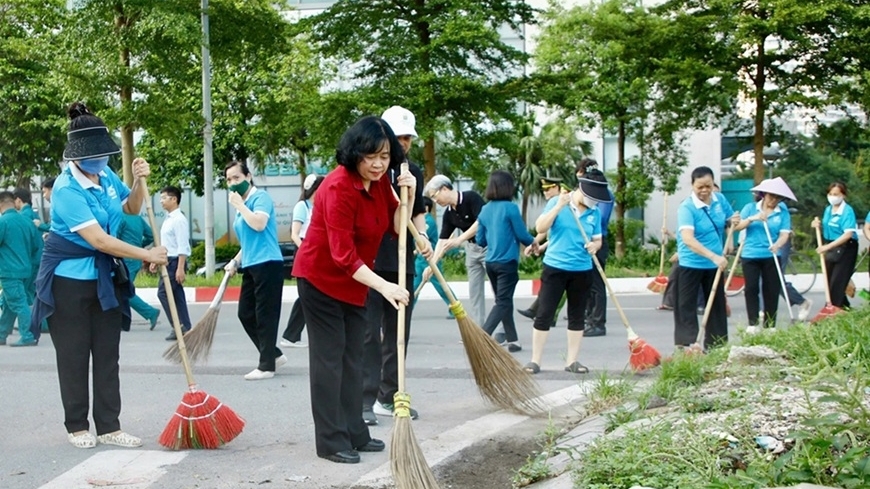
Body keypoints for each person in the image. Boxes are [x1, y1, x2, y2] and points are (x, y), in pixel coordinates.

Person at [31, 102, 168, 449]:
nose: (100, 162)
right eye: (94, 157)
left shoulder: (106, 176)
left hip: (103, 280)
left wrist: (138, 182)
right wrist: (147, 254)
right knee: (74, 355)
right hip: (68, 283)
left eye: (105, 155)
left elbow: (132, 207)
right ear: (76, 156)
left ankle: (109, 426)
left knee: (108, 354)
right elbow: (99, 240)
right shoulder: (66, 189)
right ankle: (77, 426)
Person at [292, 115, 414, 464]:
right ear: (354, 153)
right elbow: (342, 255)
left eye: (385, 156)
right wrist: (386, 286)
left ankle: (355, 431)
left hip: (355, 284)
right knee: (330, 361)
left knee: (354, 358)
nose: (378, 164)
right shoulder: (336, 187)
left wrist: (409, 191)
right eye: (370, 156)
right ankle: (330, 441)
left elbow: (396, 226)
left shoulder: (379, 185)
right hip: (321, 280)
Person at [362, 105, 430, 425]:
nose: (403, 143)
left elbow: (415, 215)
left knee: (398, 332)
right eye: (397, 136)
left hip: (402, 263)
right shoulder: (370, 168)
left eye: (407, 138)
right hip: (372, 262)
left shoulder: (413, 171)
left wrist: (423, 236)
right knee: (367, 333)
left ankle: (388, 397)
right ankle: (363, 398)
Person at [521, 177, 610, 374]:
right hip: (555, 267)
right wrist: (559, 206)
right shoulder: (558, 202)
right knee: (544, 313)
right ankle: (535, 361)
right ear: (582, 191)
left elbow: (598, 240)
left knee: (577, 315)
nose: (594, 203)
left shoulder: (594, 213)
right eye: (592, 198)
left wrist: (594, 246)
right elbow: (541, 227)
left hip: (582, 269)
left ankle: (572, 361)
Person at [223, 161, 287, 380]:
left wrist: (240, 206)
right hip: (251, 264)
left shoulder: (260, 198)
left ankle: (266, 366)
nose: (232, 183)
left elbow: (259, 224)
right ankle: (273, 354)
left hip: (268, 263)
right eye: (229, 180)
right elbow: (248, 241)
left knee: (265, 315)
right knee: (245, 313)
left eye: (236, 178)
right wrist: (235, 261)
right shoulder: (245, 202)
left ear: (248, 177)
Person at [674, 166, 738, 349]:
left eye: (708, 186)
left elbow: (730, 222)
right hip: (691, 263)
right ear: (693, 185)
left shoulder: (720, 200)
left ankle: (716, 345)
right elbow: (687, 239)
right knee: (686, 305)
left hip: (714, 264)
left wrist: (734, 224)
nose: (704, 191)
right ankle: (687, 344)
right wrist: (713, 256)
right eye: (700, 187)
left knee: (716, 306)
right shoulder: (687, 207)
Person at [476, 171, 536, 353]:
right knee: (503, 302)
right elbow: (522, 234)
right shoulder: (510, 208)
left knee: (504, 300)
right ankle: (482, 337)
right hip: (507, 262)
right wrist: (533, 242)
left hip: (491, 263)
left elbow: (480, 240)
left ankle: (513, 340)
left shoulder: (485, 210)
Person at [732, 177, 795, 332]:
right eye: (771, 196)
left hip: (771, 254)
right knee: (751, 288)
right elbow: (738, 227)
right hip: (751, 254)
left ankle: (770, 325)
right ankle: (752, 323)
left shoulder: (783, 211)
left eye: (777, 198)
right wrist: (753, 219)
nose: (774, 200)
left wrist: (778, 245)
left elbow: (784, 234)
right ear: (763, 195)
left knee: (771, 289)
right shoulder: (750, 208)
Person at [425, 175, 487, 327]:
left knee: (499, 291)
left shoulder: (471, 198)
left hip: (489, 248)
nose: (435, 201)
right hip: (472, 250)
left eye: (435, 195)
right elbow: (442, 241)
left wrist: (459, 240)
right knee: (475, 292)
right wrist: (432, 265)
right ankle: (482, 331)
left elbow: (481, 222)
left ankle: (501, 330)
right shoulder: (449, 214)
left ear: (445, 189)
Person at [280, 173, 324, 349]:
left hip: (317, 250)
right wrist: (306, 251)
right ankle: (291, 335)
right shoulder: (302, 206)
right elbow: (294, 234)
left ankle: (292, 335)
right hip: (305, 249)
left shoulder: (319, 206)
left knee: (311, 294)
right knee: (307, 295)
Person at [517, 176, 568, 328]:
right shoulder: (553, 204)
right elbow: (545, 230)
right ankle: (537, 310)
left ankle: (551, 314)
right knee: (550, 284)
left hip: (568, 254)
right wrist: (534, 243)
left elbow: (564, 234)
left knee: (563, 288)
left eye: (548, 189)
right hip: (555, 252)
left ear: (557, 188)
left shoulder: (564, 204)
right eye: (543, 189)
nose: (545, 192)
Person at [150, 186, 192, 341]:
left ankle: (178, 325)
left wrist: (180, 268)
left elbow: (182, 246)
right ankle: (185, 326)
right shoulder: (169, 219)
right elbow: (166, 244)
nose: (161, 201)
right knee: (177, 294)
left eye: (164, 198)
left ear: (174, 199)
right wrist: (157, 259)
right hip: (168, 260)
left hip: (175, 262)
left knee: (163, 293)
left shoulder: (179, 220)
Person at [0, 191, 42, 346]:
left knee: (17, 302)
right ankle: (2, 333)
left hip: (9, 270)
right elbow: (36, 246)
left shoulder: (3, 222)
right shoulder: (26, 222)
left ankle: (28, 334)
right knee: (9, 303)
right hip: (26, 269)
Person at [578, 165, 614, 337]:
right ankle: (590, 317)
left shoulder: (605, 197)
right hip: (586, 241)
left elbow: (602, 218)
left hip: (598, 241)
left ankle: (599, 322)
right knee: (589, 284)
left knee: (597, 285)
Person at [812, 182, 858, 309]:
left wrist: (827, 247)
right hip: (831, 247)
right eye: (831, 194)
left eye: (836, 194)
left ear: (843, 195)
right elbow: (827, 228)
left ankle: (833, 309)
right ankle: (845, 308)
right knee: (829, 280)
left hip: (846, 247)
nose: (833, 197)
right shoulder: (828, 209)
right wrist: (818, 225)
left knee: (837, 282)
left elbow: (848, 234)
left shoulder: (847, 211)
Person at [412, 196, 456, 317]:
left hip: (431, 259)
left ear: (425, 207)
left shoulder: (428, 222)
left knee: (440, 286)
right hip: (421, 260)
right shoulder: (423, 221)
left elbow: (418, 237)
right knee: (414, 285)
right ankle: (408, 310)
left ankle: (454, 307)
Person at [118, 212, 160, 330]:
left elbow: (114, 238)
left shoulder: (121, 217)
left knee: (124, 291)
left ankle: (150, 312)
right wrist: (139, 246)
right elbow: (151, 235)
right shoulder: (137, 218)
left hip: (125, 259)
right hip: (136, 259)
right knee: (123, 290)